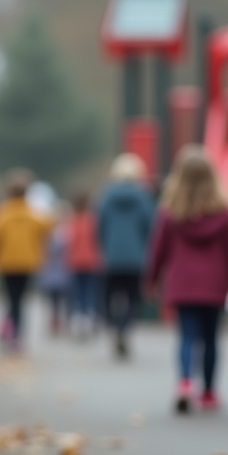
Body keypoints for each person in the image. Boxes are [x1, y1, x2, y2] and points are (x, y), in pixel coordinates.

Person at [145, 146, 228, 413]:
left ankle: (185, 383)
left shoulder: (169, 211)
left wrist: (151, 280)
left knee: (187, 337)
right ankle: (209, 392)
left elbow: (159, 249)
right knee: (211, 339)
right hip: (215, 284)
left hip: (182, 283)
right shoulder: (223, 212)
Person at [0, 169, 53, 351]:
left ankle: (8, 327)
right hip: (28, 262)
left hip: (5, 262)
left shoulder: (1, 213)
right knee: (20, 299)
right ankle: (16, 334)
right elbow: (49, 226)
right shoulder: (33, 213)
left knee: (10, 297)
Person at [98, 153, 155, 360]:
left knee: (108, 296)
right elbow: (150, 226)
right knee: (133, 299)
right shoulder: (143, 197)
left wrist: (104, 247)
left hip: (111, 257)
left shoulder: (106, 196)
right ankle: (124, 328)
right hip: (136, 257)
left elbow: (100, 225)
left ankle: (114, 325)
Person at [66, 191, 102, 339]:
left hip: (75, 261)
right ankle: (88, 318)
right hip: (92, 261)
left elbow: (68, 241)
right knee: (90, 292)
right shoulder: (93, 220)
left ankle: (77, 320)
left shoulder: (72, 221)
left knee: (77, 292)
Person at [38, 202, 73, 336]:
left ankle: (58, 320)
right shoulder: (55, 232)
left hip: (58, 271)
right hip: (58, 271)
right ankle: (56, 320)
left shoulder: (60, 232)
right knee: (55, 299)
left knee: (58, 299)